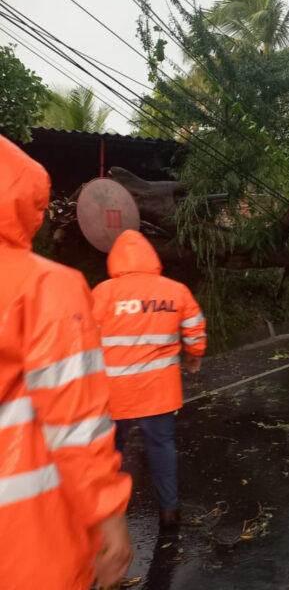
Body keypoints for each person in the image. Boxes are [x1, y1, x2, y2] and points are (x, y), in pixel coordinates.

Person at [0, 134, 133, 589]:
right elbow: (76, 422)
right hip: (29, 543)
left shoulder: (102, 292)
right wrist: (109, 516)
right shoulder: (44, 286)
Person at [91, 230, 207, 528]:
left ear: (116, 259)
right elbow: (195, 327)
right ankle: (169, 511)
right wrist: (194, 354)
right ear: (151, 258)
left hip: (113, 392)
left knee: (110, 452)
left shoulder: (102, 293)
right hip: (159, 391)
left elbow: (83, 338)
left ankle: (109, 516)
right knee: (161, 447)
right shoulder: (175, 290)